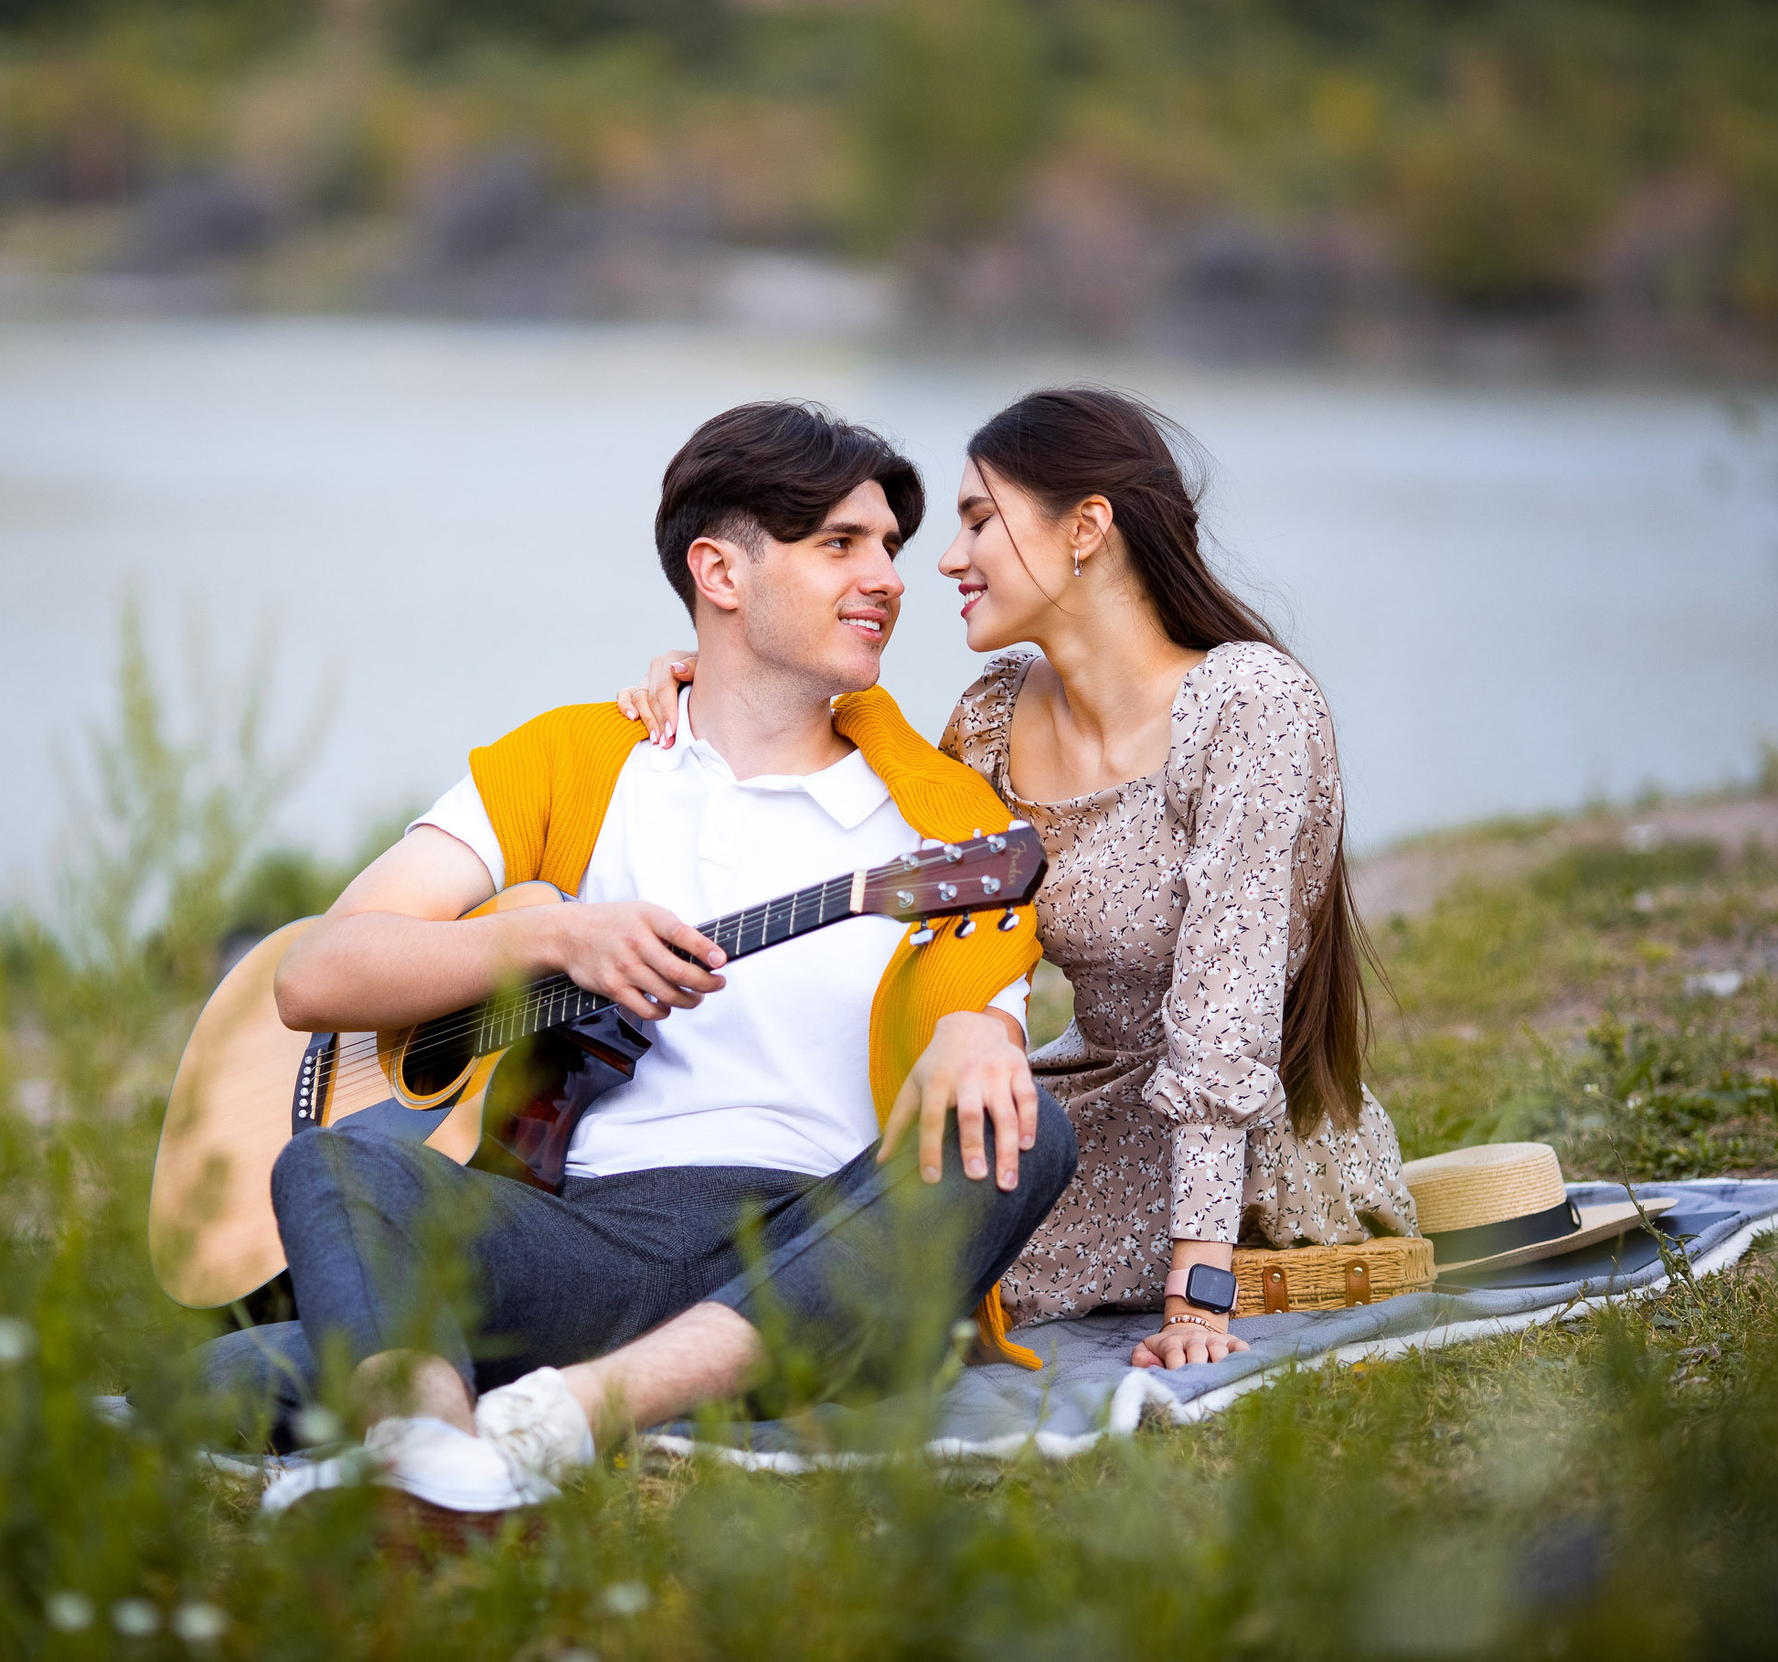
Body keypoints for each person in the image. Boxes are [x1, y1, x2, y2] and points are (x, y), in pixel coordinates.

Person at [206, 401, 1077, 1522]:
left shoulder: (945, 817)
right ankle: (430, 1469)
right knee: (333, 1177)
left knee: (1020, 1138)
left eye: (891, 549)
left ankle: (561, 1414)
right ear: (719, 570)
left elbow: (981, 1025)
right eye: (840, 545)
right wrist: (551, 935)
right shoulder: (578, 758)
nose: (890, 578)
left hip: (816, 1239)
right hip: (586, 1239)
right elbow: (315, 974)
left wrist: (979, 1027)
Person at [621, 387, 1419, 1374]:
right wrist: (717, 670)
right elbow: (901, 828)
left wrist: (1196, 1294)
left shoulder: (1246, 704)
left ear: (1086, 528)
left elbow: (1227, 1027)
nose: (946, 560)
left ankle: (618, 1369)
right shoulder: (995, 714)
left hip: (1223, 1156)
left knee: (874, 1262)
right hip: (1066, 1097)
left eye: (976, 521)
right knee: (817, 1197)